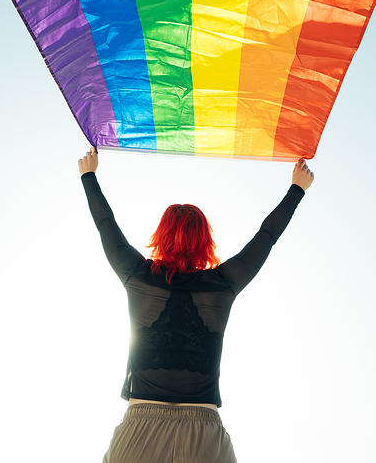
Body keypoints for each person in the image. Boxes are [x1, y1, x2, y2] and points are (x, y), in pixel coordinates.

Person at [79, 147, 314, 463]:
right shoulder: (223, 283)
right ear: (205, 239)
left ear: (162, 236)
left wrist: (88, 175)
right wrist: (296, 189)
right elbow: (266, 236)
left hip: (140, 428)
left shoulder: (137, 274)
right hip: (204, 433)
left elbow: (106, 224)